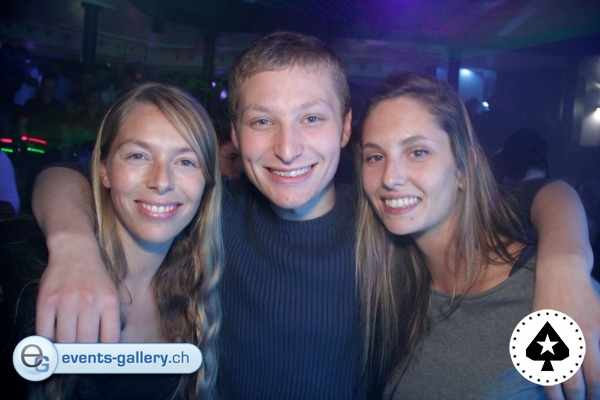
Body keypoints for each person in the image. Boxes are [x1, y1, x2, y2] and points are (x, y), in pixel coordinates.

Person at [30, 32, 599, 399]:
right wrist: (74, 247)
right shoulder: (212, 210)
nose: (287, 149)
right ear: (235, 135)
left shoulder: (382, 219)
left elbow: (538, 195)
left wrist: (567, 261)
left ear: (345, 128)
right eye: (262, 122)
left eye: (311, 119)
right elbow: (64, 177)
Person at [356, 72, 600, 399]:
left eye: (417, 152)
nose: (390, 177)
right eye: (375, 156)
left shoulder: (551, 296)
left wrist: (566, 260)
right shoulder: (388, 283)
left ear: (463, 168)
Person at [8, 83, 223, 399]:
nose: (161, 181)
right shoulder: (28, 278)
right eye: (138, 155)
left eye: (185, 161)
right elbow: (57, 174)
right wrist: (72, 245)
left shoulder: (202, 297)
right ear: (104, 170)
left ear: (206, 182)